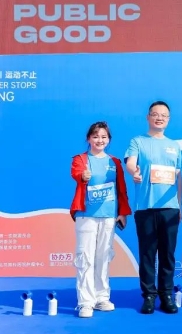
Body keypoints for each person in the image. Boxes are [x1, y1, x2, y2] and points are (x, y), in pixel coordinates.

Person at [124, 101, 182, 314]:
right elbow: (130, 163)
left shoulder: (174, 146)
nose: (159, 118)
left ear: (168, 119)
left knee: (168, 254)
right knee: (147, 253)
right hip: (145, 207)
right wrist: (134, 172)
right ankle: (149, 295)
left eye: (164, 115)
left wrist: (179, 205)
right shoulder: (138, 141)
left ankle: (166, 295)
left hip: (170, 208)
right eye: (155, 114)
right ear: (148, 117)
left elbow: (178, 177)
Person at [70, 121, 132, 318]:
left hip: (108, 216)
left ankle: (101, 298)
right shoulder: (80, 159)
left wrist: (122, 212)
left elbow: (121, 189)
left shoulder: (115, 162)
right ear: (89, 139)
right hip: (86, 215)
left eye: (104, 137)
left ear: (109, 140)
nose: (100, 140)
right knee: (85, 258)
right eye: (96, 136)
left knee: (104, 257)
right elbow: (76, 173)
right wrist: (83, 175)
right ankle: (85, 302)